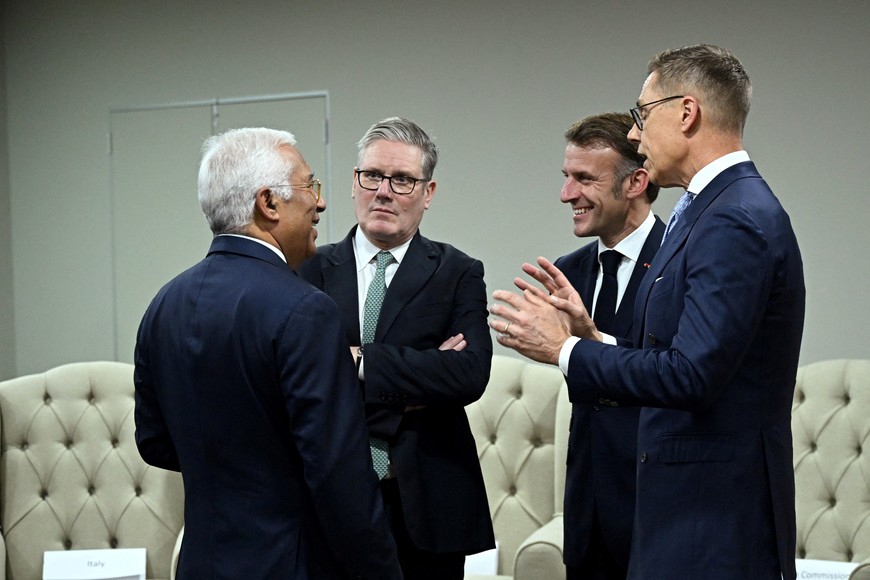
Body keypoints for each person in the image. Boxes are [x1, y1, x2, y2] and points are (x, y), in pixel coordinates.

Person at [490, 44, 805, 579]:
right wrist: (597, 341)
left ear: (686, 113)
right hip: (685, 517)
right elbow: (684, 356)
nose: (635, 134)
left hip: (710, 524)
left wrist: (566, 350)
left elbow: (691, 376)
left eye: (643, 113)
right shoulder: (711, 207)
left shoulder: (732, 218)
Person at [134, 127, 402, 580]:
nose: (320, 203)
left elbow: (154, 442)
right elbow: (339, 474)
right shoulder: (306, 309)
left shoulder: (164, 304)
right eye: (310, 186)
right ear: (269, 203)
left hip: (201, 562)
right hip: (292, 562)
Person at [298, 117, 494, 580]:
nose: (383, 192)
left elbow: (469, 374)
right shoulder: (307, 270)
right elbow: (298, 380)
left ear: (428, 193)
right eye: (372, 176)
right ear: (354, 182)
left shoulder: (458, 272)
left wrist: (358, 363)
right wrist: (421, 381)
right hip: (329, 498)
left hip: (428, 505)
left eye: (402, 180)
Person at [555, 112, 664, 580]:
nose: (567, 194)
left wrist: (594, 343)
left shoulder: (680, 260)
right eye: (567, 177)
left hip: (657, 507)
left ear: (636, 182)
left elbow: (678, 368)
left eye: (585, 179)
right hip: (588, 514)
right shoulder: (567, 272)